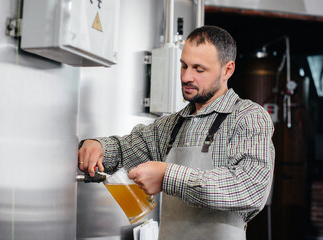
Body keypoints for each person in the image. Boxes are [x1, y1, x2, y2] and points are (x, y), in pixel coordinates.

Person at [78, 25, 275, 240]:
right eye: (184, 66)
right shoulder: (171, 125)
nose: (186, 77)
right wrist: (97, 146)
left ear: (227, 70)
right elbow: (125, 150)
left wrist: (167, 176)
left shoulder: (247, 117)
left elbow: (250, 188)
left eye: (199, 69)